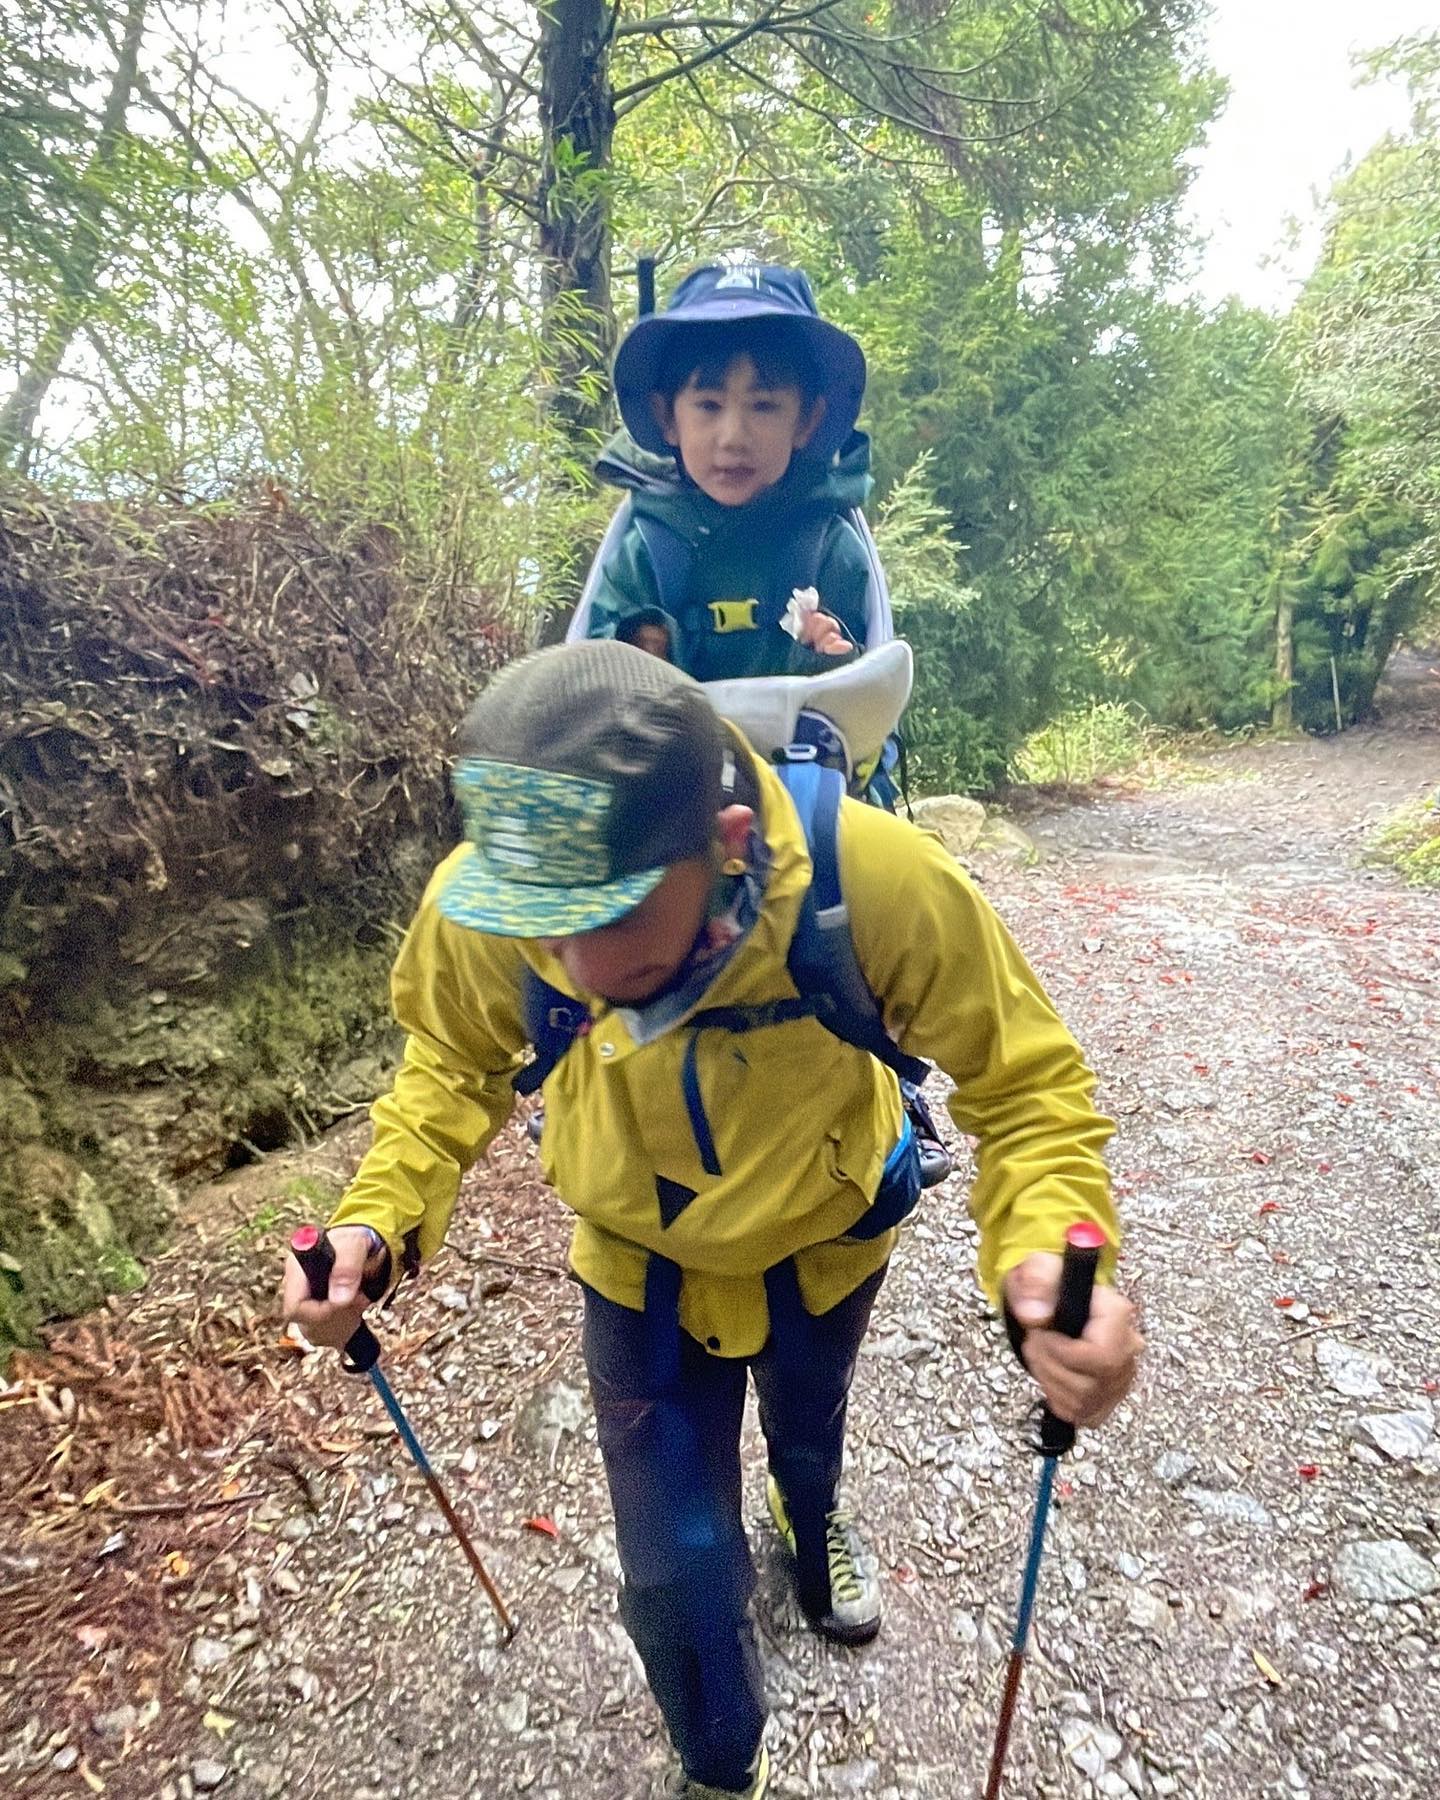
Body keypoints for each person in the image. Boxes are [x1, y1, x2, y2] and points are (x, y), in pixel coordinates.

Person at [281, 642, 1142, 1800]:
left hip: (826, 1234)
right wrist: (373, 1225)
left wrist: (1051, 1244)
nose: (576, 965)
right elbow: (451, 1064)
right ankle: (721, 1767)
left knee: (806, 1428)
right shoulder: (491, 898)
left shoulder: (869, 881)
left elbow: (1025, 1086)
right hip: (637, 1259)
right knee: (673, 1574)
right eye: (546, 926)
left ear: (729, 845)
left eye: (617, 912)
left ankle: (814, 1509)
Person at [582, 260, 873, 679]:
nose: (733, 436)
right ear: (666, 418)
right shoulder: (646, 549)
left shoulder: (828, 548)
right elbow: (585, 678)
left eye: (764, 406)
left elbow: (870, 694)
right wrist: (632, 645)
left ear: (807, 420)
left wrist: (832, 653)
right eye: (709, 406)